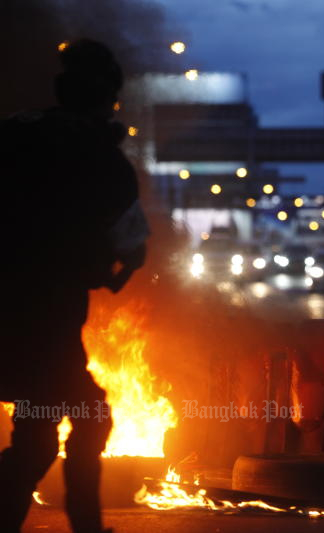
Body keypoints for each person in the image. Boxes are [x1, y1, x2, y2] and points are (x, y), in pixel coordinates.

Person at [0, 39, 148, 533]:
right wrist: (108, 269)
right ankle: (87, 525)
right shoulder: (103, 161)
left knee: (39, 434)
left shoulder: (15, 133)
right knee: (86, 418)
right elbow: (129, 250)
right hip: (47, 325)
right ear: (106, 97)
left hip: (15, 323)